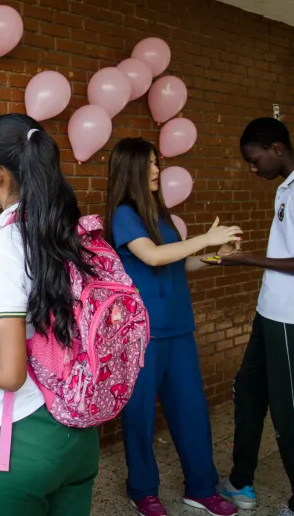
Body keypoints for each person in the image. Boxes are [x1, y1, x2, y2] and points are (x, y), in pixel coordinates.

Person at [0, 114, 100, 516]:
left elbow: (9, 373)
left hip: (19, 441)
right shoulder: (72, 234)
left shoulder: (6, 246)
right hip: (77, 432)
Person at [105, 137, 241, 516]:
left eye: (156, 162)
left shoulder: (160, 215)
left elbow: (179, 263)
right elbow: (152, 256)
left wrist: (215, 255)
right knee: (140, 416)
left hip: (179, 328)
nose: (156, 170)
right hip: (143, 334)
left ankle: (201, 487)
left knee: (191, 411)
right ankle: (142, 489)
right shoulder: (123, 215)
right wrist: (205, 238)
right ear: (130, 168)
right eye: (149, 163)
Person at [217, 117, 294, 516]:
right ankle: (240, 481)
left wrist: (246, 259)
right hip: (269, 312)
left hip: (289, 319)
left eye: (254, 159)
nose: (252, 167)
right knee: (247, 392)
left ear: (276, 149)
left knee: (287, 411)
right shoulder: (285, 187)